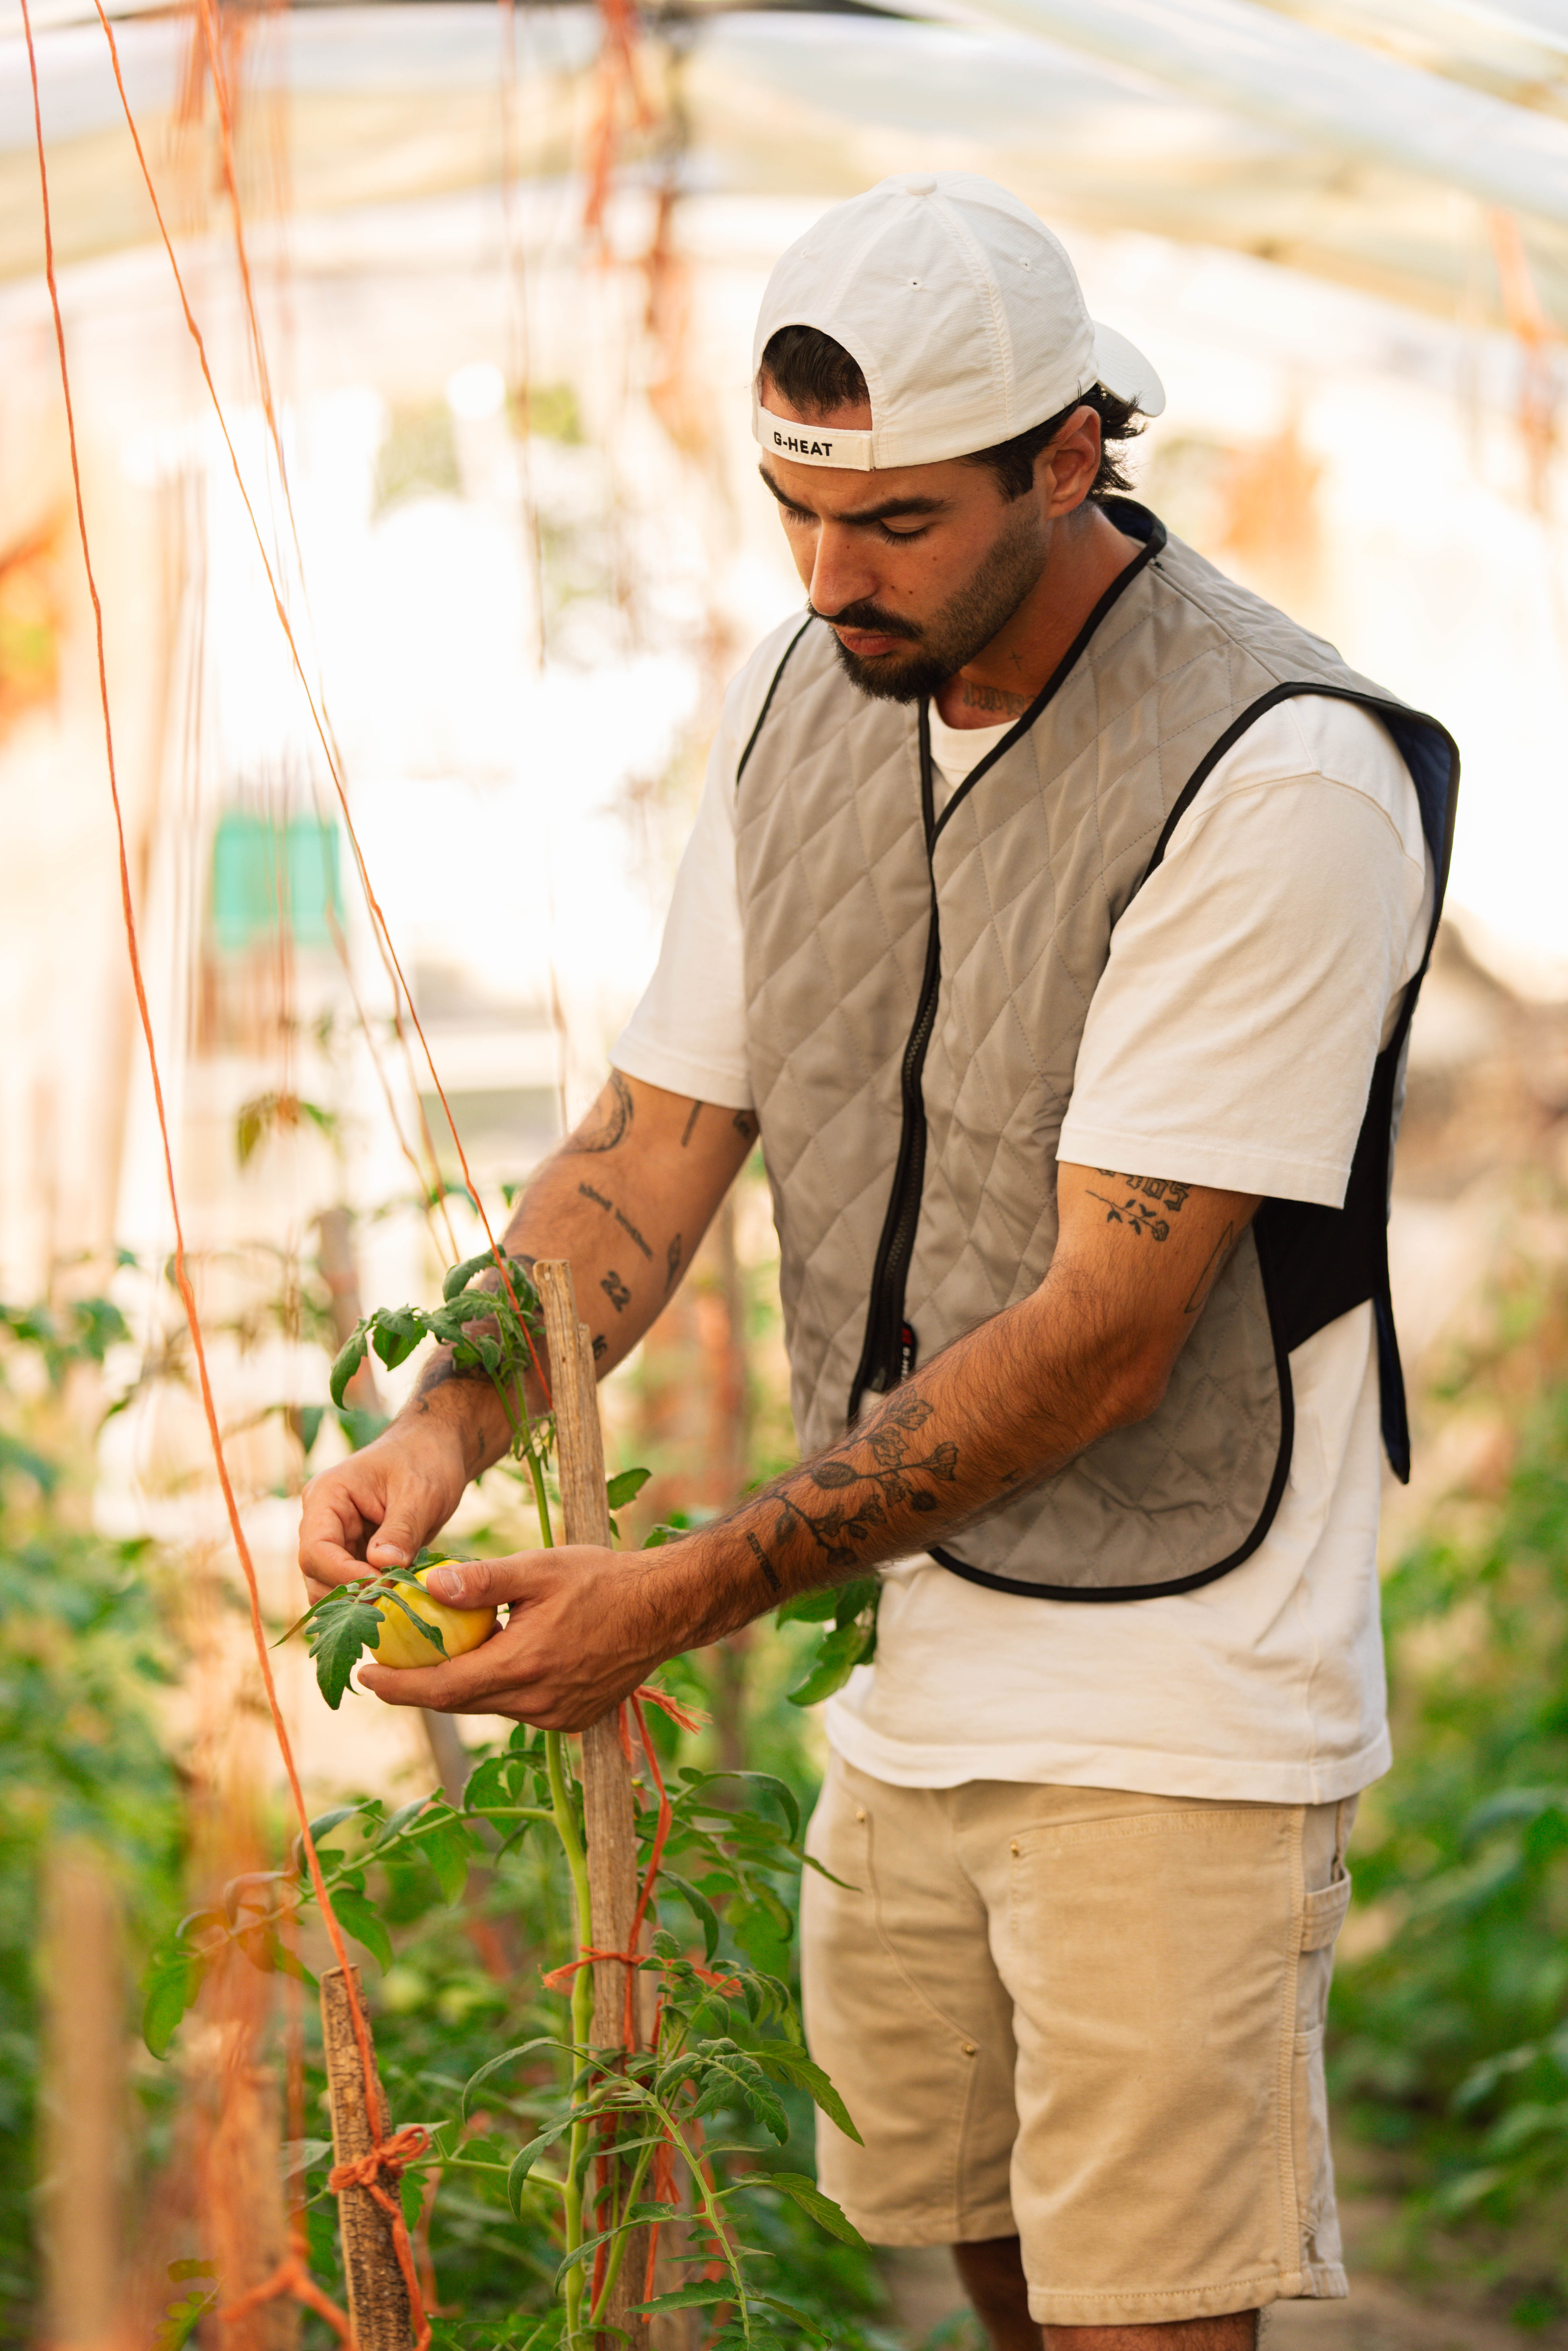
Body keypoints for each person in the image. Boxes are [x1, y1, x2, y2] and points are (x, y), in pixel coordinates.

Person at [299, 172, 1458, 2348]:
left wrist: (677, 1593)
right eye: (796, 513)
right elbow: (652, 1143)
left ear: (1068, 456)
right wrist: (446, 1417)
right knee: (986, 2261)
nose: (831, 577)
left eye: (898, 522)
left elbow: (1105, 1336)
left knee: (1142, 2311)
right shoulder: (806, 695)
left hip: (1175, 1693)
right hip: (909, 1670)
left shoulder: (1276, 772)